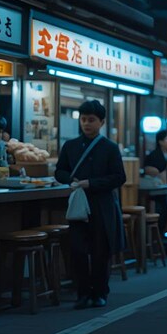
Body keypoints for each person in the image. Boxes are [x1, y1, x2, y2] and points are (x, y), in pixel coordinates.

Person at [55, 100, 126, 310]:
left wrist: (91, 183)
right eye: (83, 119)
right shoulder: (70, 146)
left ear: (101, 122)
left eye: (91, 120)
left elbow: (119, 177)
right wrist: (72, 180)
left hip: (102, 205)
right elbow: (59, 171)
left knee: (100, 251)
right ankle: (82, 293)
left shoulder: (110, 148)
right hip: (78, 205)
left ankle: (100, 292)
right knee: (77, 249)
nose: (86, 124)